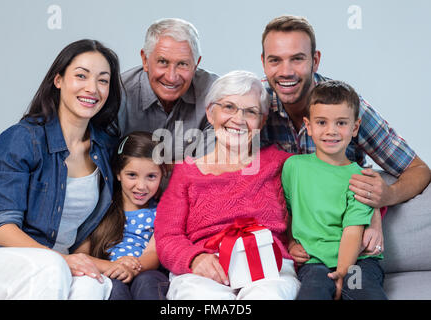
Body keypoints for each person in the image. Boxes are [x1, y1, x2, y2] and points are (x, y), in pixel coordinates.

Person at [260, 14, 430, 255]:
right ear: (263, 61)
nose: (286, 71)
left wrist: (386, 197)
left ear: (315, 61)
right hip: (285, 244)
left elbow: (419, 170)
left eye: (297, 59)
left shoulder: (346, 107)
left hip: (343, 241)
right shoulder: (253, 105)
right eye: (275, 60)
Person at [0, 39, 122, 299]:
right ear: (58, 80)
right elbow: (2, 230)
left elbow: (83, 230)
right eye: (81, 76)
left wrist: (84, 261)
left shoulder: (104, 147)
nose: (92, 88)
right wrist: (62, 259)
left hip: (58, 262)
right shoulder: (23, 139)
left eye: (103, 80)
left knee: (94, 284)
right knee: (53, 267)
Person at [154, 70, 300, 300]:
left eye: (250, 111)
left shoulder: (280, 163)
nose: (238, 119)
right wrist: (194, 258)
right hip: (205, 271)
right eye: (228, 107)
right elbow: (167, 236)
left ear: (261, 121)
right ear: (211, 114)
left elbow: (333, 182)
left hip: (268, 268)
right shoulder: (186, 171)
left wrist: (375, 212)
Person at [282, 80, 387, 300]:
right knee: (313, 292)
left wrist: (342, 274)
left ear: (354, 127)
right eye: (322, 122)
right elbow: (291, 213)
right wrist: (291, 242)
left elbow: (352, 231)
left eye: (341, 123)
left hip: (358, 260)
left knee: (363, 290)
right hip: (314, 262)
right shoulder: (294, 167)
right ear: (308, 126)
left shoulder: (360, 177)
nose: (331, 131)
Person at [79, 131, 169, 300]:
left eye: (151, 176)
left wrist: (132, 268)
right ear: (118, 173)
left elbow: (153, 255)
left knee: (147, 283)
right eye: (132, 175)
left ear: (162, 175)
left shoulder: (162, 212)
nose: (141, 186)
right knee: (114, 287)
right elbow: (81, 255)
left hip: (147, 272)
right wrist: (114, 267)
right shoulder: (101, 208)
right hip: (108, 272)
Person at [118, 18, 219, 162]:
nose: (171, 77)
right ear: (145, 60)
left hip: (193, 183)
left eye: (183, 64)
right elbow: (109, 169)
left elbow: (209, 169)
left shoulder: (216, 95)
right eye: (163, 62)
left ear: (196, 65)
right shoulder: (118, 94)